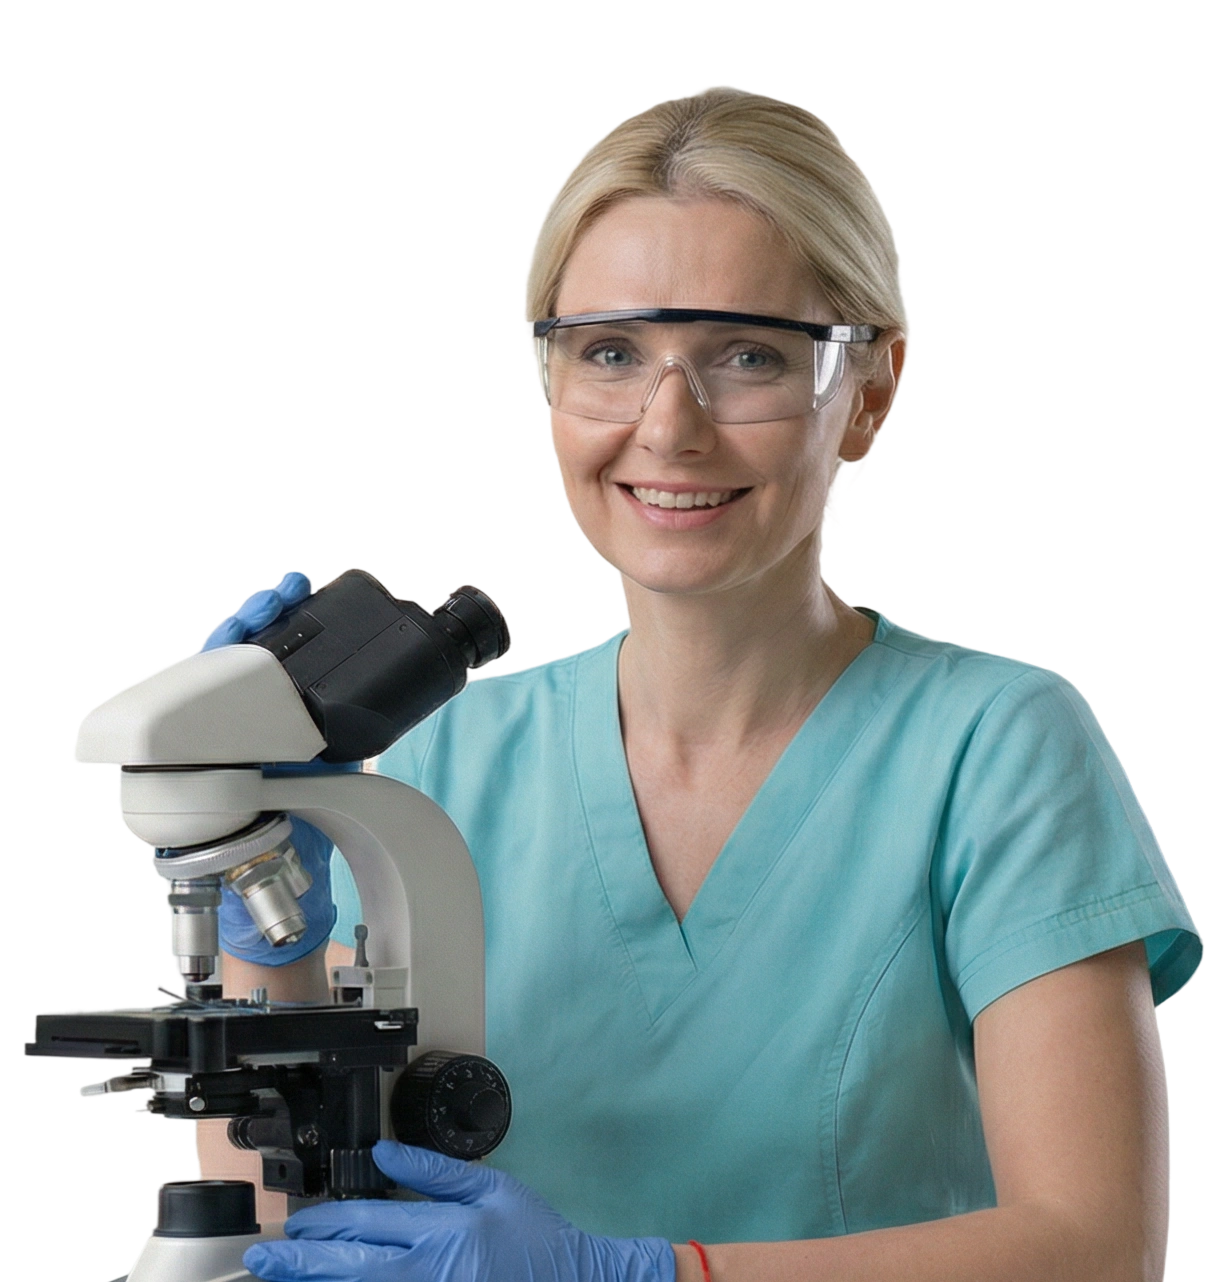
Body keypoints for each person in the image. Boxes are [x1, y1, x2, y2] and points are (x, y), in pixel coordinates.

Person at [200, 87, 1201, 1281]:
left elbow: (1095, 1248)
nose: (669, 427)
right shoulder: (441, 763)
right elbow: (269, 1222)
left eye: (748, 355)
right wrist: (253, 868)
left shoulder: (997, 749)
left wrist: (644, 1277)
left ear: (870, 395)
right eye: (611, 353)